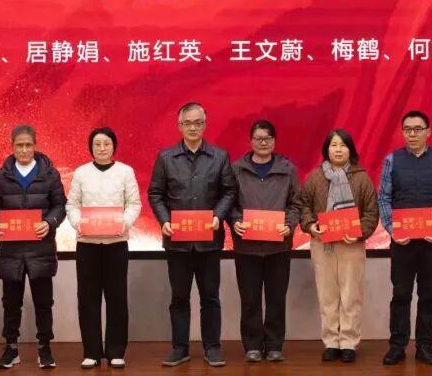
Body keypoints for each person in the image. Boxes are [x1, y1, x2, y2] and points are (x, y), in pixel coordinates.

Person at [147, 102, 237, 368]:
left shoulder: (219, 156)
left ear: (205, 125)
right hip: (178, 242)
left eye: (198, 122)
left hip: (209, 242)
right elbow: (155, 194)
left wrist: (218, 216)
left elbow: (229, 191)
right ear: (179, 126)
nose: (193, 127)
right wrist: (164, 220)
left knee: (210, 297)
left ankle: (212, 347)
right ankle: (180, 348)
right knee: (179, 298)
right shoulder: (166, 157)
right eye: (188, 123)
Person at [378, 111, 432, 366]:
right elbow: (384, 199)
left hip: (431, 241)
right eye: (408, 129)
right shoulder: (391, 160)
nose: (412, 134)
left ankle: (425, 347)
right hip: (402, 242)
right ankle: (397, 346)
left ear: (428, 131)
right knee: (400, 295)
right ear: (402, 132)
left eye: (418, 129)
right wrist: (392, 230)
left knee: (428, 296)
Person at [0, 124, 67, 370]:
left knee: (44, 302)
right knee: (11, 303)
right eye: (19, 145)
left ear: (35, 145)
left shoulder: (50, 174)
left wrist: (49, 222)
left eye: (28, 145)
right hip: (11, 250)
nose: (24, 149)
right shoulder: (2, 176)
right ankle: (11, 348)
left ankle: (45, 347)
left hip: (41, 248)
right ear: (12, 146)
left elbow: (60, 206)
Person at [297, 128, 379, 364]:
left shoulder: (362, 178)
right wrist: (311, 226)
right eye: (334, 145)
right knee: (327, 295)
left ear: (350, 150)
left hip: (351, 245)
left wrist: (359, 232)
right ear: (326, 150)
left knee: (351, 294)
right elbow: (303, 206)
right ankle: (331, 341)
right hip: (322, 245)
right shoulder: (315, 178)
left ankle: (349, 342)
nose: (338, 149)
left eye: (343, 145)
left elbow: (371, 211)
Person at [66, 127, 142, 369]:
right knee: (87, 298)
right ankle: (91, 351)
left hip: (116, 244)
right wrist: (79, 224)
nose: (101, 148)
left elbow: (134, 204)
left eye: (106, 144)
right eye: (97, 144)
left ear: (114, 146)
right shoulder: (81, 172)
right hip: (87, 245)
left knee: (117, 297)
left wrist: (123, 223)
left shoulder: (125, 171)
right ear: (91, 147)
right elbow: (72, 205)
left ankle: (116, 351)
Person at [228, 119, 300, 363]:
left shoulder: (287, 169)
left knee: (276, 298)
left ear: (274, 141)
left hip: (278, 246)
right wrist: (235, 221)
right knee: (250, 299)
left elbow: (296, 203)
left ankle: (275, 345)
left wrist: (289, 224)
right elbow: (229, 202)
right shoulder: (237, 169)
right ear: (250, 141)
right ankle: (252, 345)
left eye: (268, 138)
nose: (263, 142)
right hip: (246, 247)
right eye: (258, 138)